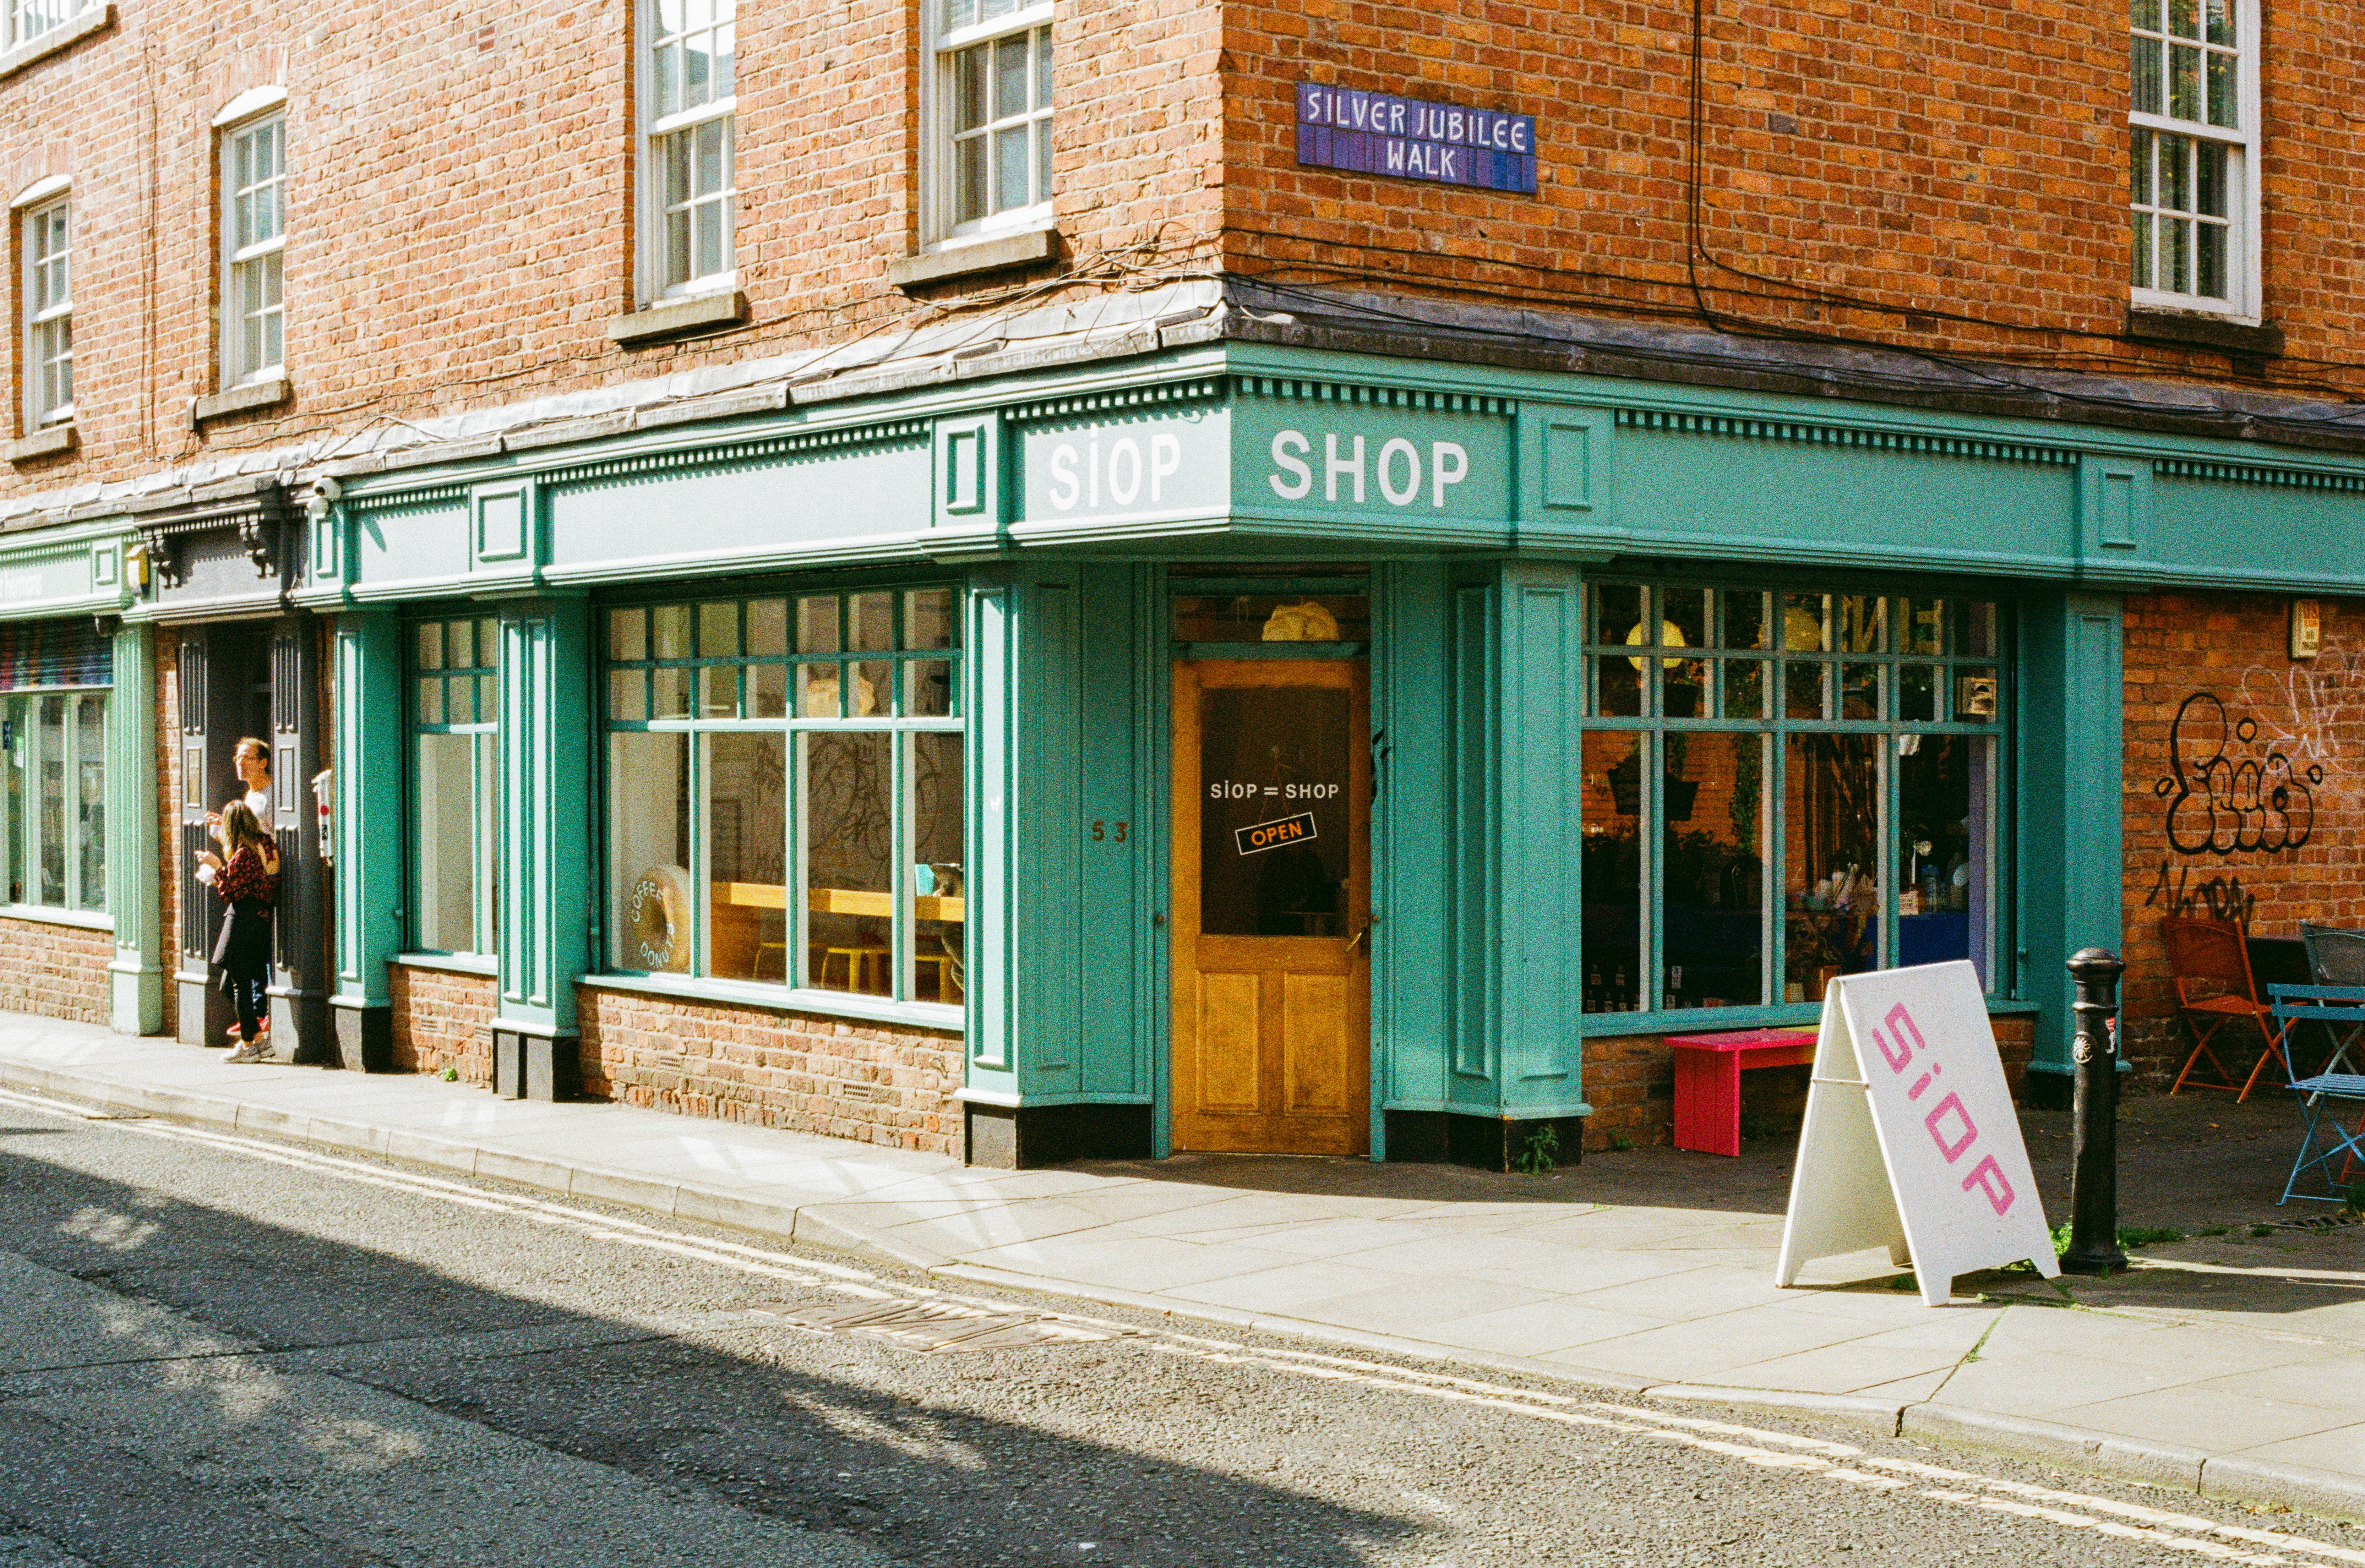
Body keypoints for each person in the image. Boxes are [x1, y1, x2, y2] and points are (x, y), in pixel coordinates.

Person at [203, 738, 276, 1044]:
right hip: (249, 894)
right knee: (239, 970)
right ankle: (255, 1026)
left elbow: (257, 849)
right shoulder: (251, 795)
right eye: (237, 756)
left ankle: (255, 1030)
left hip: (255, 897)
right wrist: (225, 831)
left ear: (263, 761)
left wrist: (219, 865)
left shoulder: (269, 798)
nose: (239, 761)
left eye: (247, 757)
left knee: (240, 968)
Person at [198, 801, 278, 1064]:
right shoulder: (264, 843)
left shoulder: (244, 853)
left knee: (238, 982)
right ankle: (258, 1040)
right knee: (230, 981)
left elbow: (231, 891)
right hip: (259, 918)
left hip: (243, 917)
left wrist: (217, 866)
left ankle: (248, 1044)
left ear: (233, 827)